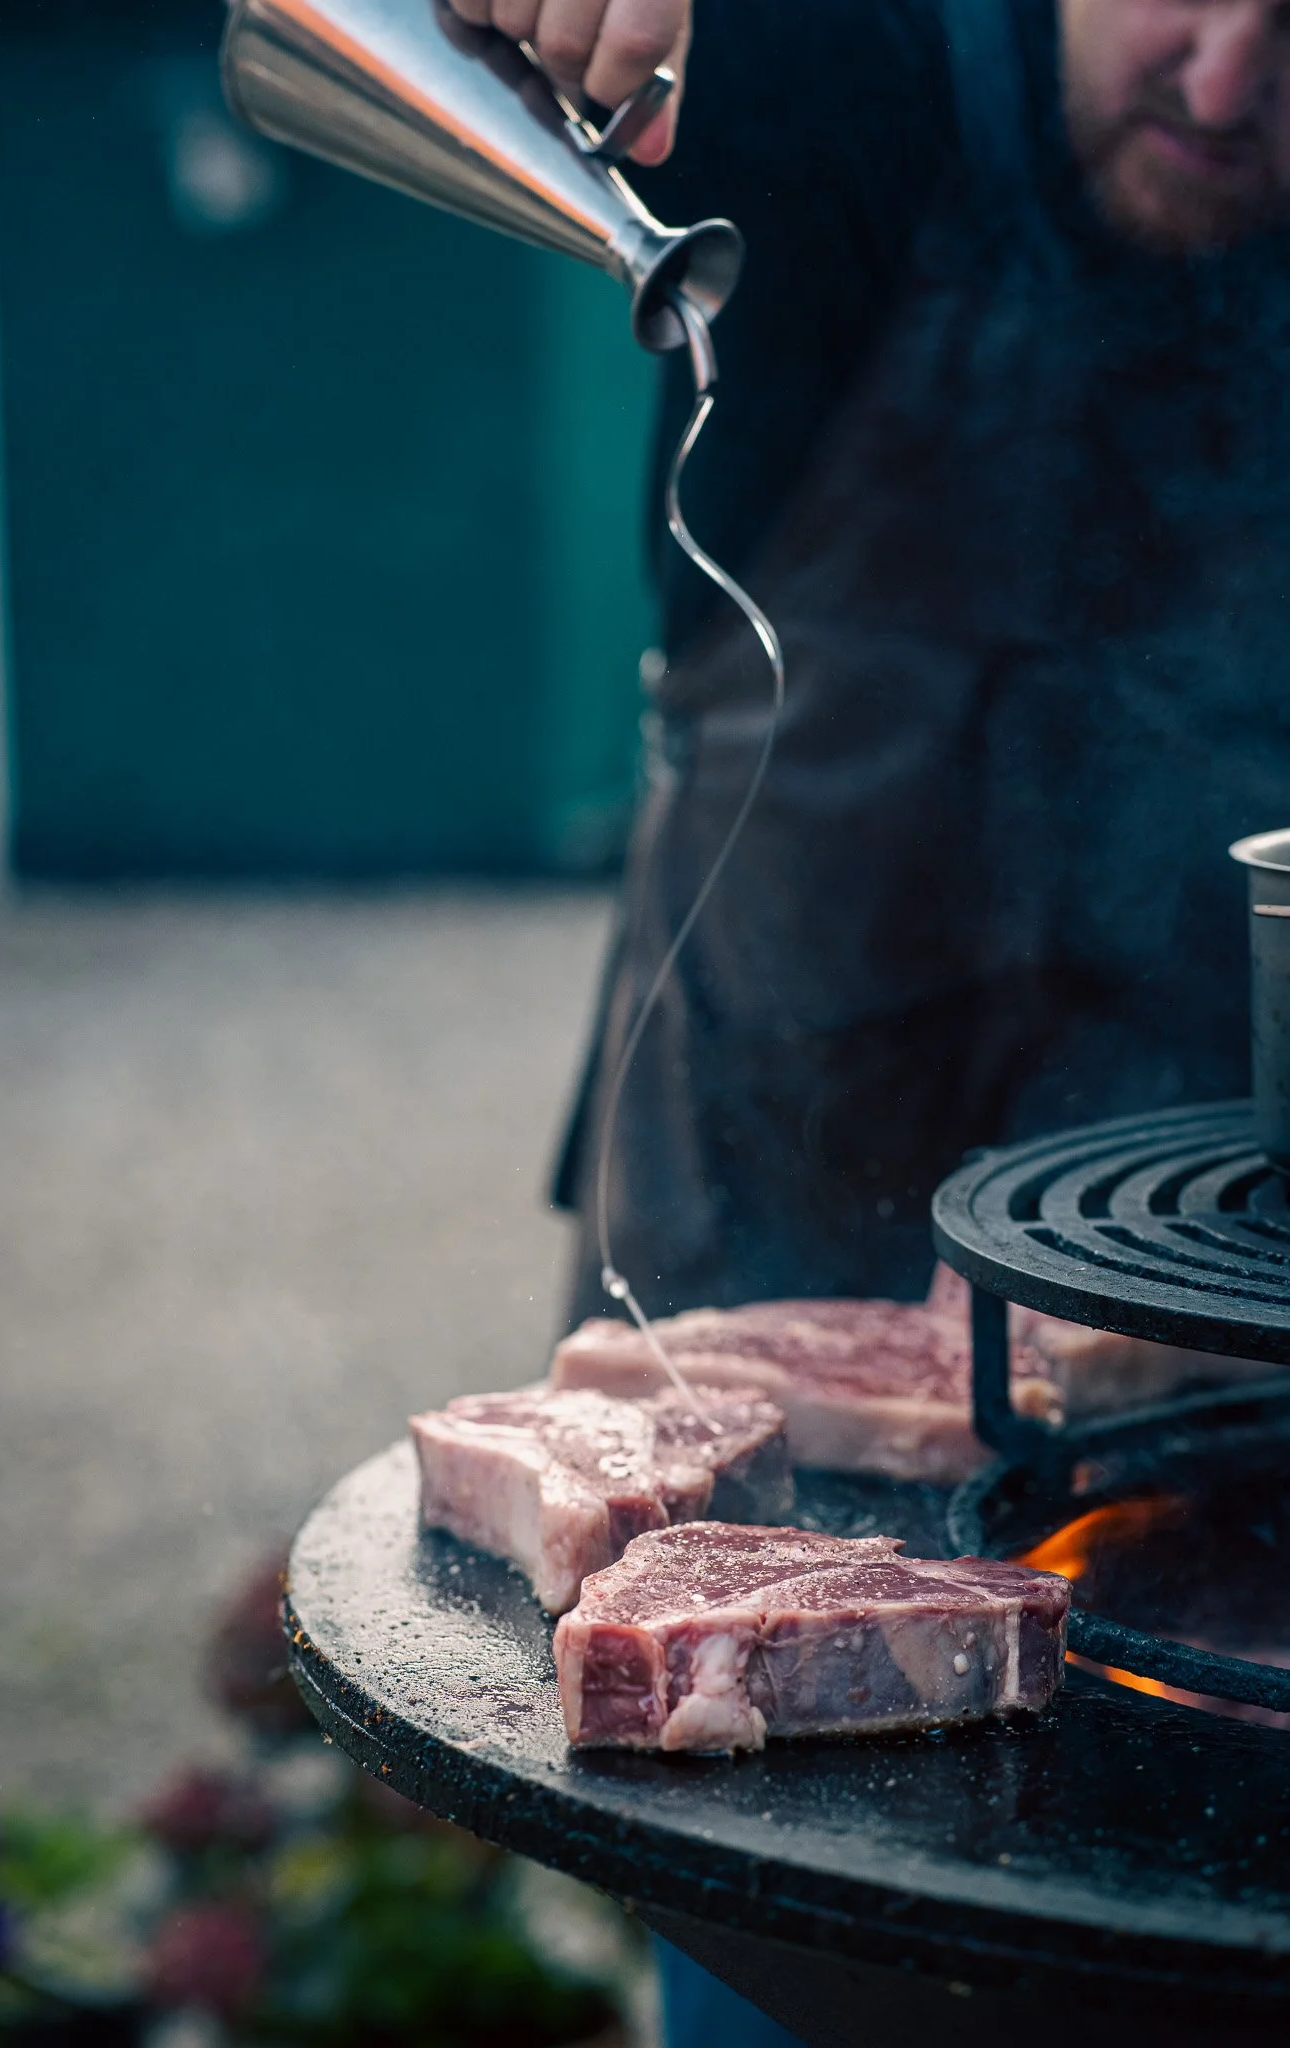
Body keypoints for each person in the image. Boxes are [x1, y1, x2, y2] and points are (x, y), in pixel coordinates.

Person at [451, 0, 1290, 2027]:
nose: (1226, 76)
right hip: (774, 1210)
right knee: (781, 1927)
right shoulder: (824, 61)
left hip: (1208, 1293)